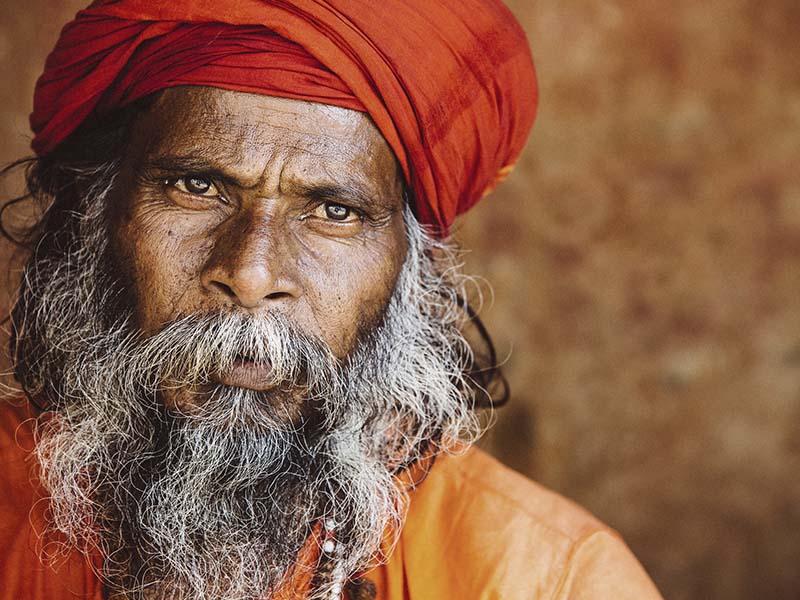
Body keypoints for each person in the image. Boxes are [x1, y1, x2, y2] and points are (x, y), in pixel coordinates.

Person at [0, 1, 664, 599]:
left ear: (411, 270)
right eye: (197, 185)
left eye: (333, 210)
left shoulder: (547, 579)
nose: (252, 274)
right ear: (99, 213)